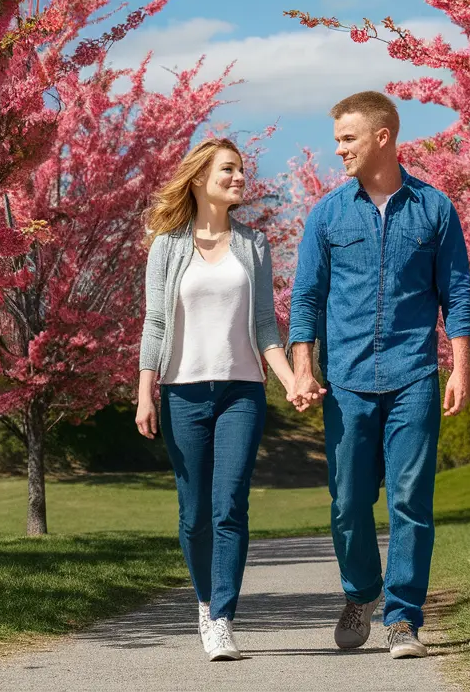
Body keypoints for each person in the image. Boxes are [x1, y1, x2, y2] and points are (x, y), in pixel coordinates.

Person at [287, 91, 470, 659]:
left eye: (347, 137)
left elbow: (458, 294)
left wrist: (460, 370)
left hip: (414, 375)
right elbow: (306, 297)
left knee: (411, 501)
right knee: (347, 502)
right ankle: (361, 591)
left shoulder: (436, 209)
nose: (338, 148)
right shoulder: (327, 214)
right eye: (338, 138)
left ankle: (403, 618)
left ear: (382, 137)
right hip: (345, 382)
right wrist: (303, 365)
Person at [135, 138, 300, 662]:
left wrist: (293, 378)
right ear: (200, 177)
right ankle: (204, 604)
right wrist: (146, 393)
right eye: (228, 169)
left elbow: (266, 327)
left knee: (230, 505)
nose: (238, 177)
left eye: (241, 169)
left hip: (242, 391)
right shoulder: (167, 245)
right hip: (182, 392)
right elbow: (155, 322)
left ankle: (222, 617)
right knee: (193, 514)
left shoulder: (254, 244)